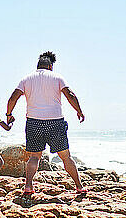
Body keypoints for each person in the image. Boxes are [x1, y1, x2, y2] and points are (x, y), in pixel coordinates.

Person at [6, 50, 86, 196]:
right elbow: (70, 95)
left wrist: (9, 114)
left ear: (38, 65)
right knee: (66, 157)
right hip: (55, 123)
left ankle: (28, 186)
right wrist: (79, 111)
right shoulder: (57, 78)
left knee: (34, 157)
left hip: (34, 122)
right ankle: (79, 186)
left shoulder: (26, 79)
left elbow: (13, 98)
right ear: (50, 66)